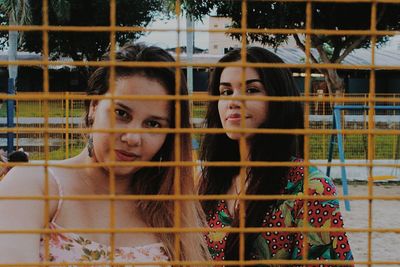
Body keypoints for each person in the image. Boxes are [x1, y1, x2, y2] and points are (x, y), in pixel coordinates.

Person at [0, 43, 209, 265]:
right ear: (94, 106)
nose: (132, 137)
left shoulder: (170, 209)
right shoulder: (35, 185)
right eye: (121, 114)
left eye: (153, 124)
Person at [198, 47, 353, 265]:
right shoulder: (206, 182)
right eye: (226, 92)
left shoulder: (309, 188)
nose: (234, 101)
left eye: (251, 90)